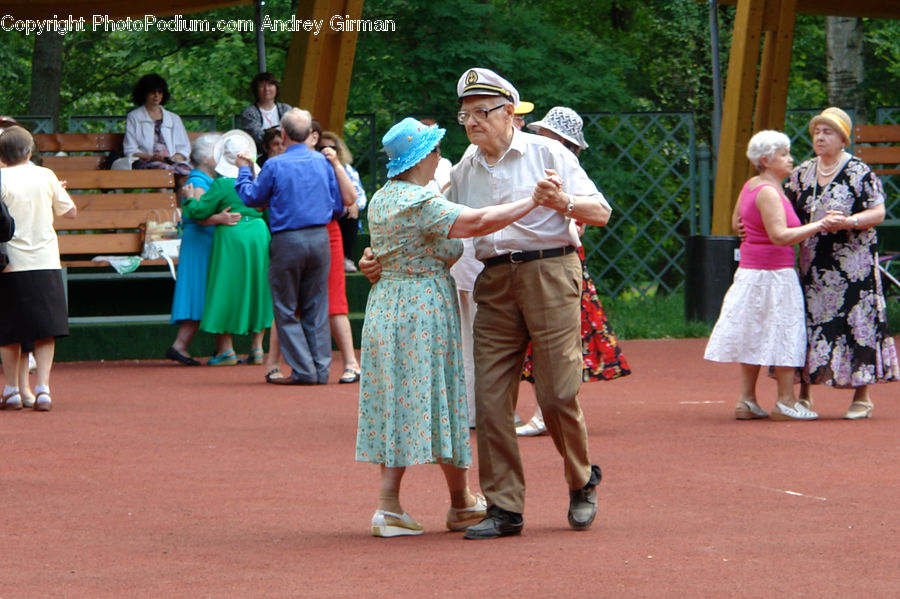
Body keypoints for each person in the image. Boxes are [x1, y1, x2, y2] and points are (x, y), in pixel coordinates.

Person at [357, 116, 548, 537]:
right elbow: (477, 223)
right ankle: (426, 504)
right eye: (435, 150)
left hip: (389, 305)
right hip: (423, 307)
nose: (440, 156)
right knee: (443, 397)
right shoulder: (419, 201)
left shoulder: (385, 197)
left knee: (401, 401)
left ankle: (425, 502)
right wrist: (535, 201)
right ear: (423, 157)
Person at [451, 68, 610, 538]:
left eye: (482, 111)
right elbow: (443, 221)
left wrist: (562, 201)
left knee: (557, 392)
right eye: (466, 113)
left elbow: (600, 212)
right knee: (489, 397)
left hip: (551, 270)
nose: (472, 122)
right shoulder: (465, 168)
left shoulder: (548, 152)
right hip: (494, 280)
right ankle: (504, 507)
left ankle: (581, 480)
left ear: (510, 113)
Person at [516, 106, 631, 436]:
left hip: (561, 265)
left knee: (555, 343)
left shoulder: (564, 170)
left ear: (560, 141)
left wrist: (562, 209)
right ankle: (552, 412)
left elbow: (581, 223)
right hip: (555, 264)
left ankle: (547, 414)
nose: (537, 138)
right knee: (553, 342)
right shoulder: (540, 165)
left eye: (545, 135)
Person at [705, 130, 832, 420]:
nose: (791, 159)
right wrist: (819, 225)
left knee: (754, 332)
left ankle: (746, 399)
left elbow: (737, 220)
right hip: (775, 273)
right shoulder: (770, 192)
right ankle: (785, 401)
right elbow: (780, 236)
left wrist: (749, 230)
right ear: (766, 159)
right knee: (785, 332)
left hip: (751, 272)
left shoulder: (752, 185)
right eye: (784, 154)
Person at [784, 107, 899, 418]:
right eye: (817, 132)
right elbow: (786, 212)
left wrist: (849, 221)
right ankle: (804, 393)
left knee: (857, 324)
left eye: (828, 132)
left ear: (843, 138)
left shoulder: (860, 171)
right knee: (811, 324)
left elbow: (878, 213)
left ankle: (862, 397)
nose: (820, 137)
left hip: (854, 264)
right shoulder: (801, 173)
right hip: (814, 263)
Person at [234, 108, 343, 385]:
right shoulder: (322, 161)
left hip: (288, 241)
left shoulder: (275, 165)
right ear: (309, 134)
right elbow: (338, 205)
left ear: (283, 134)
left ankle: (304, 370)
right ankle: (320, 369)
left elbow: (251, 198)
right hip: (320, 238)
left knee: (285, 308)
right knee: (316, 306)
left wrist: (244, 170)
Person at [0, 126, 76, 411]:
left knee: (9, 330)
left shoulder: (1, 178)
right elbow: (70, 211)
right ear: (29, 151)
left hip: (11, 262)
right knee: (46, 328)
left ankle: (12, 390)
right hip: (45, 259)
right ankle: (43, 387)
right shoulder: (46, 176)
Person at [181, 130, 272, 366]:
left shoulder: (222, 183)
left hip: (232, 235)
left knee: (224, 288)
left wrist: (190, 198)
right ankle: (258, 348)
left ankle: (226, 350)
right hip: (259, 233)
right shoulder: (259, 178)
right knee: (258, 287)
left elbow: (198, 212)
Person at [166, 133, 243, 366]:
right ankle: (182, 346)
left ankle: (223, 348)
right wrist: (220, 218)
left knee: (208, 292)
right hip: (201, 242)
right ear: (202, 156)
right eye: (215, 151)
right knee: (202, 291)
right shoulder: (198, 180)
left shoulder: (207, 178)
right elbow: (197, 214)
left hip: (205, 241)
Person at [121, 74, 191, 177]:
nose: (156, 95)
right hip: (146, 163)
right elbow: (130, 150)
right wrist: (151, 157)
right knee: (161, 171)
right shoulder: (134, 117)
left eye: (160, 92)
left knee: (187, 174)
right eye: (152, 92)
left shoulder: (174, 118)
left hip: (172, 162)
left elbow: (184, 149)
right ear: (144, 93)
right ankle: (164, 193)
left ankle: (185, 193)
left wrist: (171, 160)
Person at [319, 130, 367, 273]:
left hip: (343, 214)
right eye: (322, 148)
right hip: (324, 212)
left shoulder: (348, 170)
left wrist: (354, 204)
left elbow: (360, 195)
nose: (327, 151)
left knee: (353, 208)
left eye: (332, 148)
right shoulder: (315, 167)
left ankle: (346, 257)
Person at [240, 72, 293, 156]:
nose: (266, 89)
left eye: (270, 85)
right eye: (262, 86)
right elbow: (257, 136)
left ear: (276, 88)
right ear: (256, 90)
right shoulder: (249, 112)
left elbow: (293, 131)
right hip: (260, 155)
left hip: (286, 152)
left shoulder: (286, 109)